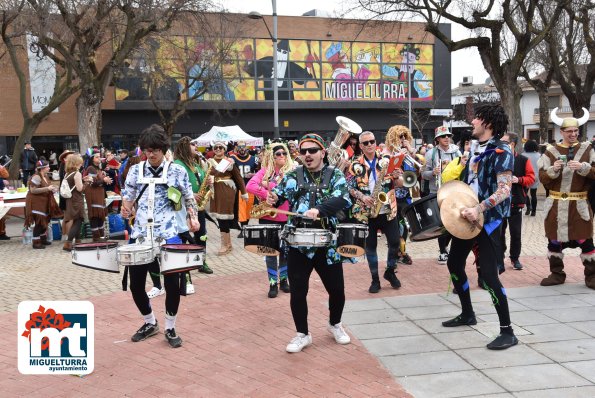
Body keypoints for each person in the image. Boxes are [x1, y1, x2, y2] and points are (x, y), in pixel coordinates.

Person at [266, 133, 352, 353]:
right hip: (298, 244)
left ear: (322, 152)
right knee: (298, 291)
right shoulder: (292, 175)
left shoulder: (335, 175)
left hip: (328, 244)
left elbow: (343, 198)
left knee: (337, 290)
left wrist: (320, 210)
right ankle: (302, 334)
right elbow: (277, 194)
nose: (307, 155)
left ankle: (335, 323)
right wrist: (272, 198)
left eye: (312, 150)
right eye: (303, 151)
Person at [442, 103, 518, 350]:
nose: (472, 122)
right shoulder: (474, 149)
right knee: (454, 263)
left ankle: (507, 331)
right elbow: (468, 183)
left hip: (488, 221)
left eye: (476, 119)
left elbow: (505, 190)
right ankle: (467, 313)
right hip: (467, 218)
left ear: (487, 122)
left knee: (488, 275)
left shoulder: (502, 150)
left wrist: (479, 208)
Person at [120, 125, 200, 348]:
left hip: (169, 234)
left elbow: (188, 197)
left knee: (173, 285)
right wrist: (126, 209)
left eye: (155, 150)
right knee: (136, 285)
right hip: (141, 234)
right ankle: (150, 322)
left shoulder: (177, 171)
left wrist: (193, 217)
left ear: (164, 149)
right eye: (147, 150)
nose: (151, 154)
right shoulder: (136, 171)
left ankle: (170, 326)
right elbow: (128, 196)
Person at [537, 108, 595, 290]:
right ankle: (556, 274)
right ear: (561, 132)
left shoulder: (588, 150)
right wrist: (553, 169)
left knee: (585, 240)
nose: (573, 134)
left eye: (576, 130)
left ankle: (592, 276)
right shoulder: (550, 152)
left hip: (579, 205)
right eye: (569, 131)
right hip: (555, 204)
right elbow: (543, 178)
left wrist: (584, 167)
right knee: (554, 240)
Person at [348, 131, 403, 293]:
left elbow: (399, 183)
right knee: (370, 247)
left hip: (387, 209)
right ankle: (375, 280)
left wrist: (397, 176)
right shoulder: (355, 165)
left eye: (371, 141)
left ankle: (390, 271)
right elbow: (349, 188)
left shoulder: (386, 160)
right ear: (360, 146)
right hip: (366, 211)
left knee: (395, 242)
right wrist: (362, 197)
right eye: (365, 143)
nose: (369, 145)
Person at [247, 142, 295, 298]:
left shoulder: (291, 171)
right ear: (272, 157)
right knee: (270, 252)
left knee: (286, 251)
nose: (282, 156)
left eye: (284, 153)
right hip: (268, 217)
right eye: (278, 154)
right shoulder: (265, 171)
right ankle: (273, 283)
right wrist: (265, 193)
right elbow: (250, 186)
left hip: (286, 216)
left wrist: (271, 185)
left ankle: (284, 279)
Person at [422, 126, 461, 264]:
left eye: (448, 136)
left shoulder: (457, 152)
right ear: (437, 139)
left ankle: (445, 246)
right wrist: (433, 172)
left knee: (453, 221)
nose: (446, 138)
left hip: (453, 191)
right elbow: (423, 175)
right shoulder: (430, 153)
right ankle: (443, 251)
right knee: (441, 223)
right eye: (443, 136)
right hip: (436, 192)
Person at [499, 132, 535, 270]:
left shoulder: (523, 160)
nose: (500, 145)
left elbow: (531, 179)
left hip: (516, 201)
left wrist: (518, 180)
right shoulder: (498, 158)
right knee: (500, 232)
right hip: (500, 202)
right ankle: (499, 257)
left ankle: (515, 259)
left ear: (512, 144)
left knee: (516, 233)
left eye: (504, 142)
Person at [207, 140, 248, 255]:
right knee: (220, 218)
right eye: (216, 147)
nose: (218, 149)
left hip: (227, 191)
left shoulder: (229, 161)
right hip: (215, 191)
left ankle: (225, 245)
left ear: (225, 149)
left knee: (223, 217)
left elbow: (238, 177)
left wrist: (244, 192)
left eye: (221, 147)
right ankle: (227, 244)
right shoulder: (209, 162)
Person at [24, 160, 59, 249]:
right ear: (42, 168)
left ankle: (43, 239)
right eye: (47, 167)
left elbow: (47, 187)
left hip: (43, 202)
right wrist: (47, 188)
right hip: (35, 203)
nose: (49, 168)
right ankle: (36, 242)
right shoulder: (36, 177)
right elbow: (33, 190)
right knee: (39, 223)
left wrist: (52, 189)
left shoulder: (45, 176)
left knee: (45, 221)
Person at [229, 141, 257, 238]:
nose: (241, 148)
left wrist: (253, 175)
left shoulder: (253, 159)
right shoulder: (233, 158)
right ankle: (243, 229)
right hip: (239, 188)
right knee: (241, 210)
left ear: (246, 147)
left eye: (243, 146)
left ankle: (246, 227)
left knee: (248, 209)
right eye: (239, 147)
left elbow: (260, 172)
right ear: (236, 148)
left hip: (250, 188)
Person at [84, 149, 111, 241]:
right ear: (92, 159)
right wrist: (103, 180)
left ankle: (101, 236)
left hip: (99, 194)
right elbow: (93, 183)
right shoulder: (91, 168)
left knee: (100, 216)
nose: (99, 158)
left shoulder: (98, 169)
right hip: (93, 194)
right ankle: (96, 237)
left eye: (100, 156)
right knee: (95, 215)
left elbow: (99, 182)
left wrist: (106, 179)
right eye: (97, 157)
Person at [62, 154, 87, 251]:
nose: (81, 164)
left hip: (70, 199)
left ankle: (78, 241)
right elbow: (80, 188)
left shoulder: (67, 173)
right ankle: (68, 243)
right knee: (78, 221)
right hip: (77, 200)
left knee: (76, 220)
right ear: (75, 163)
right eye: (80, 163)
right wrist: (87, 183)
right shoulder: (77, 173)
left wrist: (82, 181)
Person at [523, 140, 540, 216]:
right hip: (535, 176)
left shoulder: (523, 155)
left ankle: (528, 208)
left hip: (525, 176)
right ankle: (534, 211)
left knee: (525, 193)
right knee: (534, 194)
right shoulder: (539, 155)